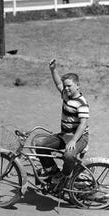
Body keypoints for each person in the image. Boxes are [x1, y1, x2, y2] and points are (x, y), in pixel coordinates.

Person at [34, 59, 89, 187]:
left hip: (80, 137)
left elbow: (83, 124)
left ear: (77, 85)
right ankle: (53, 171)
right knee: (40, 145)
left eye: (69, 86)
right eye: (66, 86)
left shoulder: (82, 103)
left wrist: (73, 141)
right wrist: (53, 70)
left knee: (68, 155)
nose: (66, 88)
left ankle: (65, 177)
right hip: (65, 135)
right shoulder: (66, 94)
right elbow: (58, 83)